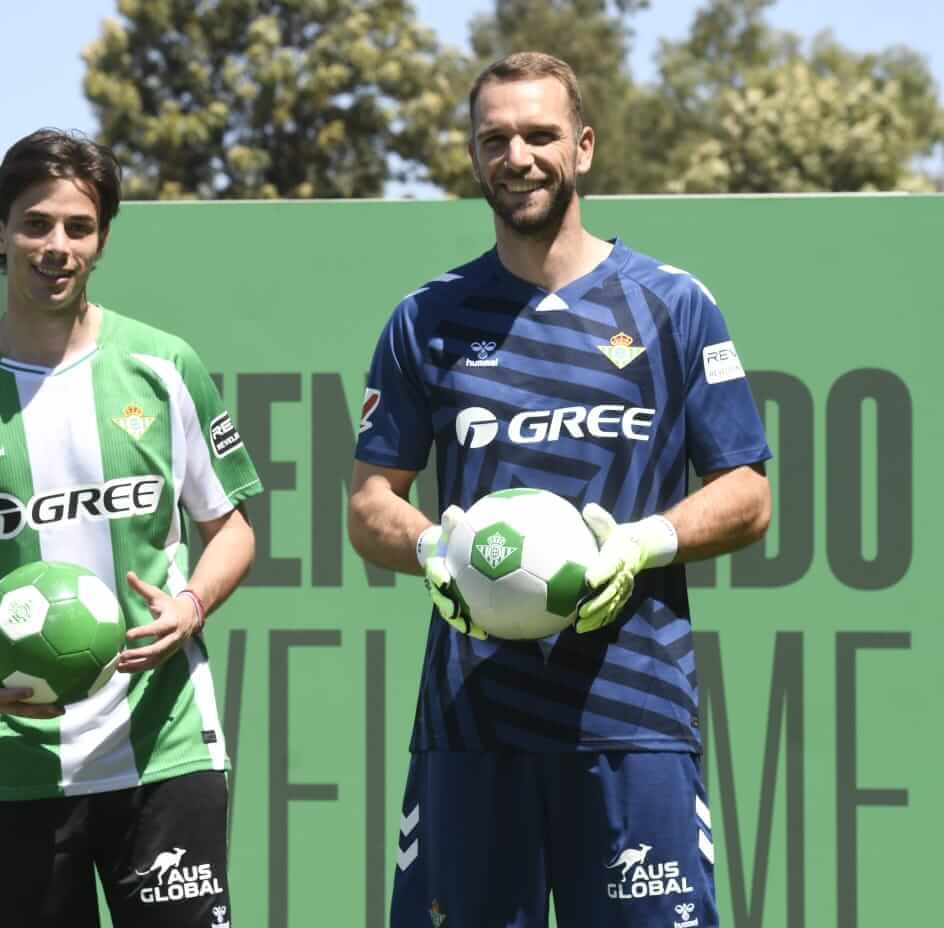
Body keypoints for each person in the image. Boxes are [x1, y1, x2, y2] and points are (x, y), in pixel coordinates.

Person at [347, 52, 771, 928]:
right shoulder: (428, 318)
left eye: (540, 135)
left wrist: (642, 542)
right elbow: (369, 504)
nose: (518, 156)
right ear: (473, 155)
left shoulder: (673, 305)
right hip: (474, 725)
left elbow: (746, 491)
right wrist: (433, 550)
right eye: (494, 137)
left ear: (582, 147)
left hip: (635, 715)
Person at [0, 128, 260, 928]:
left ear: (102, 239)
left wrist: (191, 605)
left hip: (165, 749)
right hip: (15, 764)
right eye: (37, 224)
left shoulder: (164, 366)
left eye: (79, 228)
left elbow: (234, 528)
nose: (57, 247)